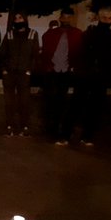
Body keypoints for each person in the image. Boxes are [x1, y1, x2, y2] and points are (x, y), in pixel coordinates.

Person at [58, 7, 111, 146]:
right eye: (105, 18)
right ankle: (66, 134)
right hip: (85, 75)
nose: (107, 21)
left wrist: (108, 74)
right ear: (99, 17)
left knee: (95, 108)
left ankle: (87, 135)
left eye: (110, 18)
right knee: (76, 105)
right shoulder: (89, 34)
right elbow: (81, 53)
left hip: (100, 77)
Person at [40, 8, 82, 142]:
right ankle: (49, 126)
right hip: (52, 70)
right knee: (50, 99)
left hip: (66, 71)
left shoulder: (77, 34)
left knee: (61, 100)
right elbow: (46, 51)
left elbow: (78, 52)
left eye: (69, 17)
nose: (67, 20)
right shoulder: (51, 34)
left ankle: (58, 127)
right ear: (60, 18)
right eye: (65, 17)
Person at [0, 11, 40, 136]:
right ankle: (9, 125)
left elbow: (35, 54)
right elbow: (2, 53)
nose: (17, 20)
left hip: (24, 74)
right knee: (9, 101)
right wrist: (4, 69)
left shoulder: (33, 34)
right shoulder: (10, 34)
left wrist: (29, 70)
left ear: (25, 19)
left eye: (20, 17)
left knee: (24, 101)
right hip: (10, 73)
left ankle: (24, 126)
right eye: (15, 18)